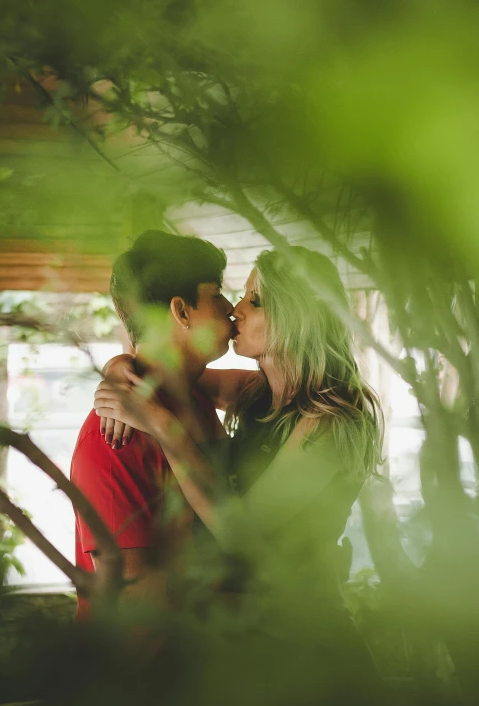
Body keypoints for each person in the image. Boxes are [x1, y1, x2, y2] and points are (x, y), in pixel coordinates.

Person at [94, 245, 385, 700]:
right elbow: (165, 375)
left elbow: (242, 533)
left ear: (296, 315)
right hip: (250, 643)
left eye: (255, 299)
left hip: (310, 647)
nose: (237, 310)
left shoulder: (332, 418)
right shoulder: (256, 393)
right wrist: (116, 369)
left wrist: (165, 429)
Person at [70, 230, 233, 620]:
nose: (231, 307)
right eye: (217, 294)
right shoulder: (113, 437)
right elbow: (137, 610)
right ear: (182, 312)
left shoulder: (194, 400)